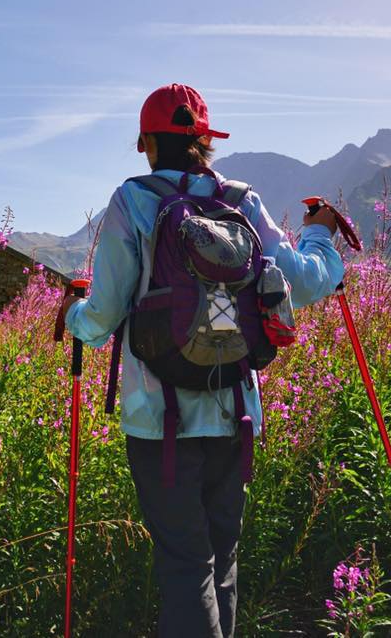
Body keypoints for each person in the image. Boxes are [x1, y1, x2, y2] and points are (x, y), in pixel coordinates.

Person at [60, 83, 343, 638]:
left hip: (158, 422)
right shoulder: (240, 201)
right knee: (222, 563)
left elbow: (104, 315)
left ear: (146, 142)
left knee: (186, 566)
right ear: (204, 142)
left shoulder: (134, 200)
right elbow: (306, 281)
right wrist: (319, 234)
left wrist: (73, 314)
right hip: (237, 417)